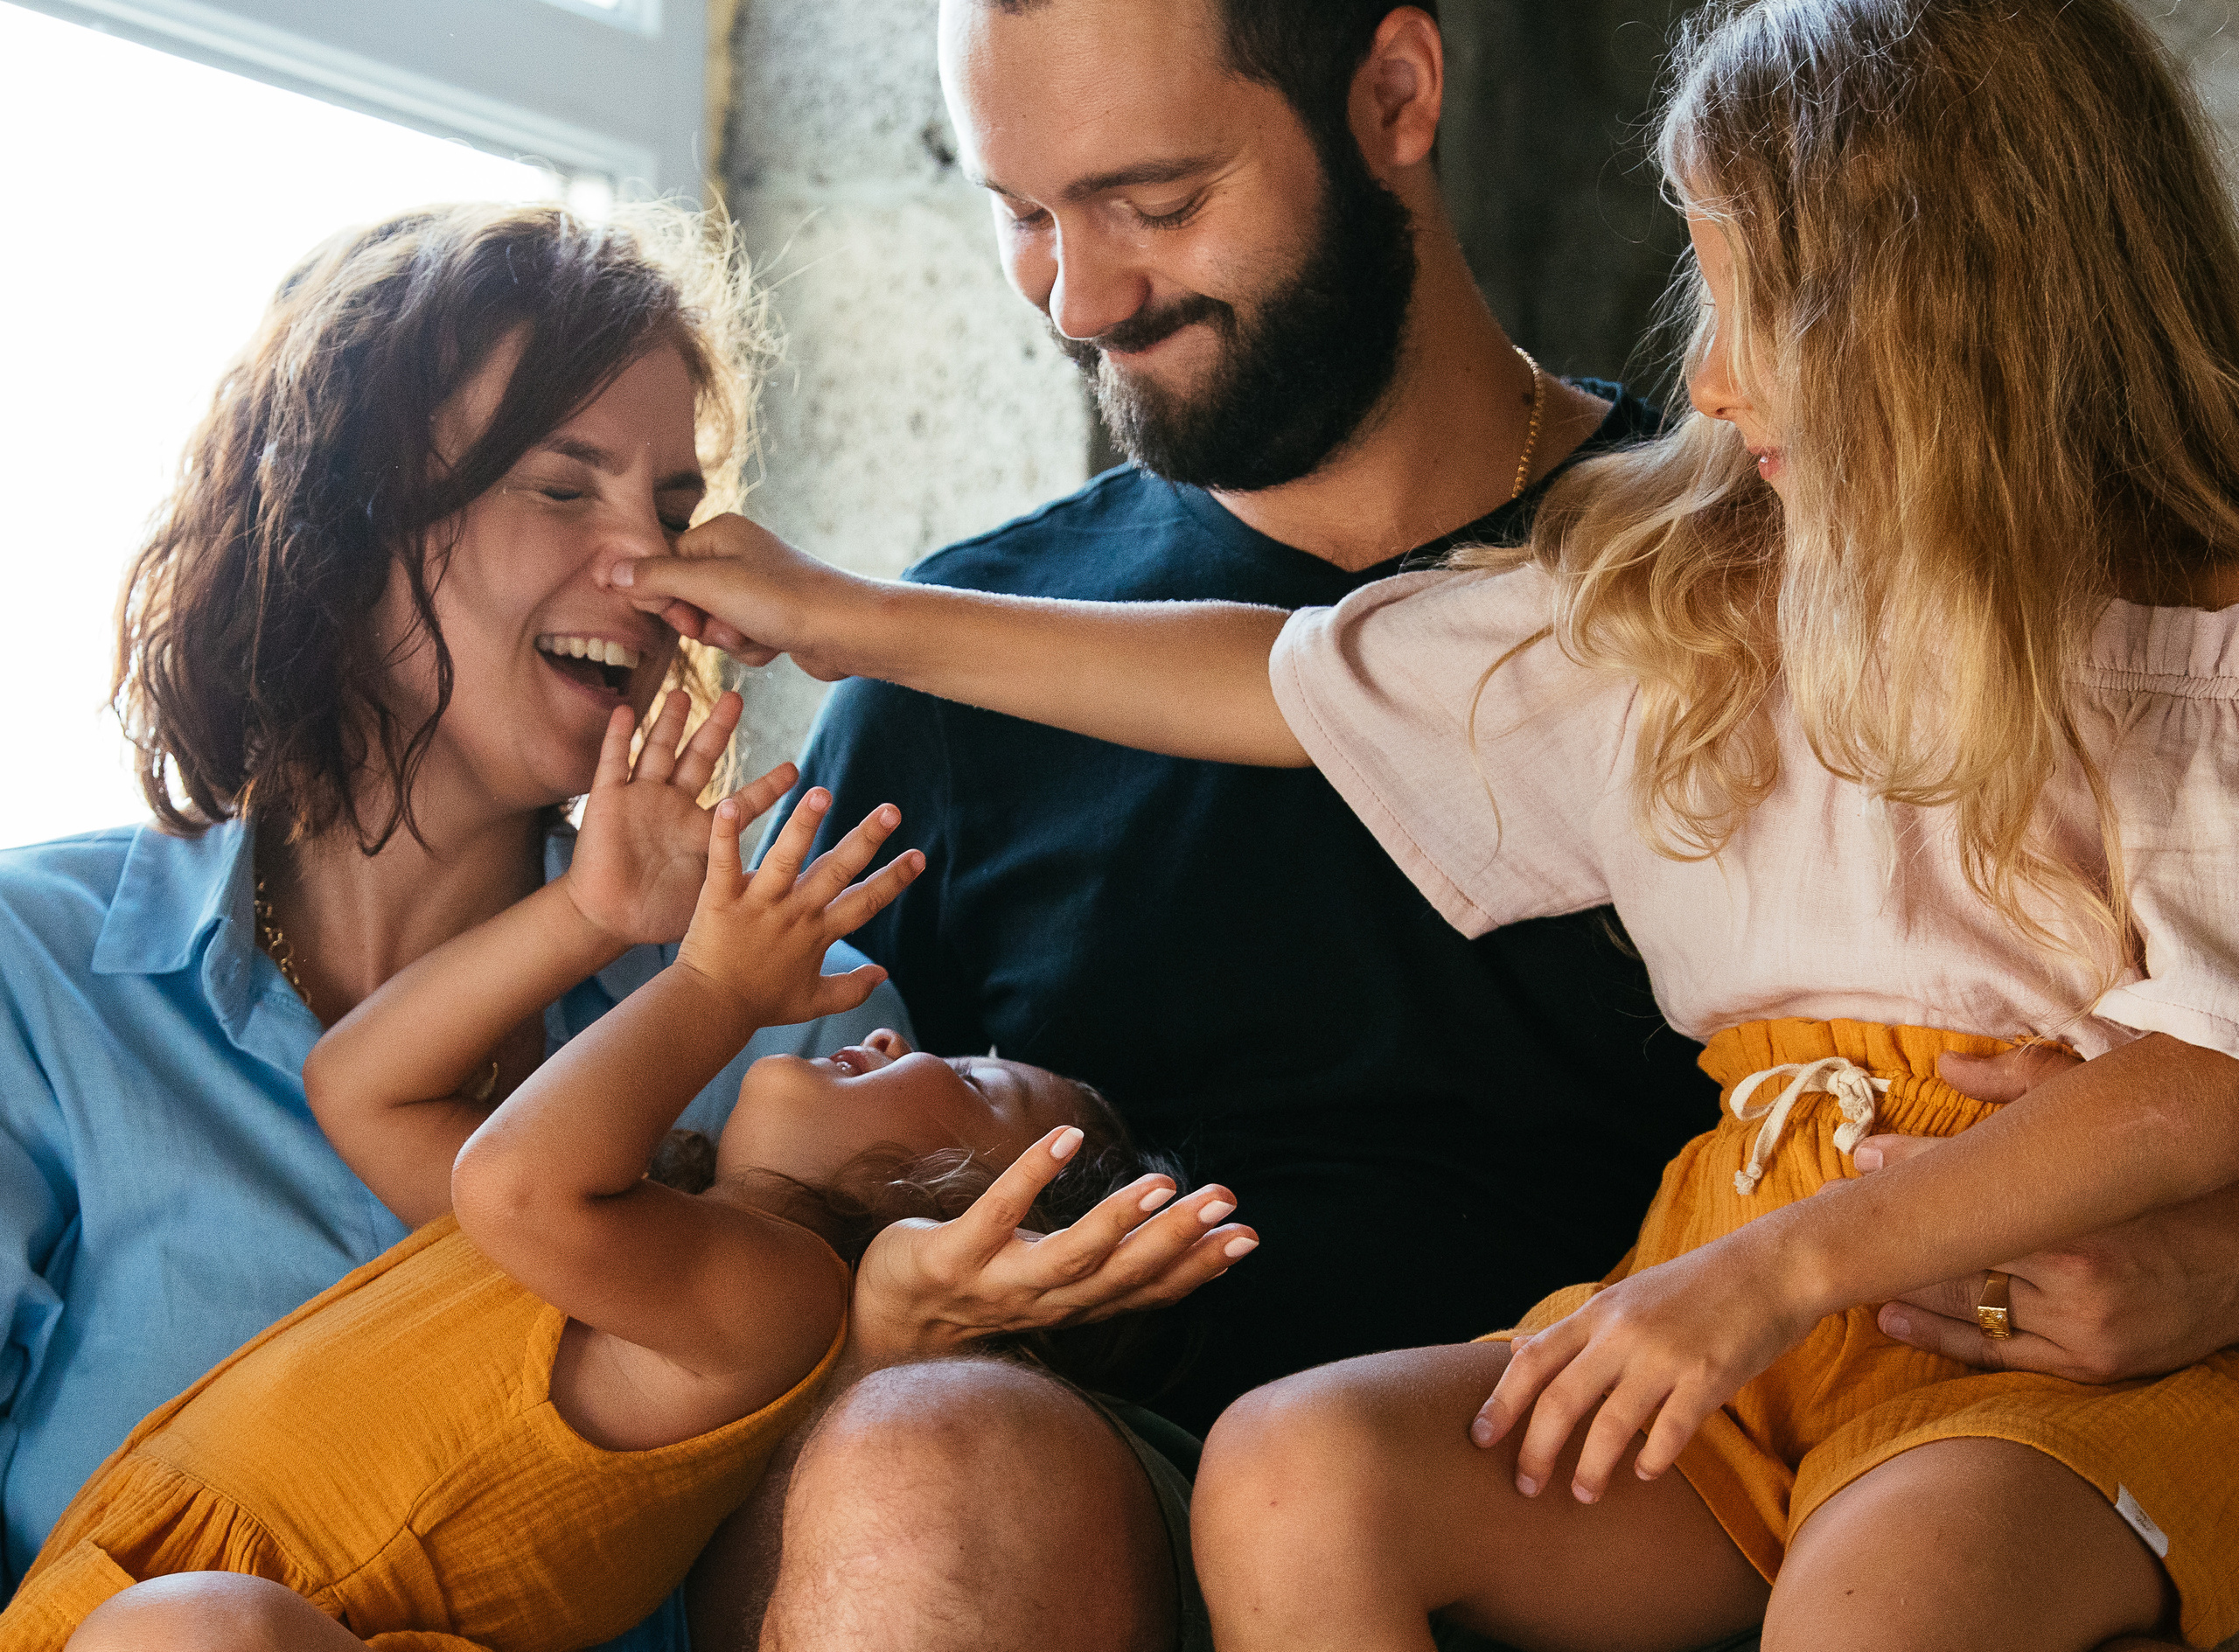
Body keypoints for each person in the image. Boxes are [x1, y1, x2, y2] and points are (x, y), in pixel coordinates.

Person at [617, 0, 2239, 1644]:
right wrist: (844, 617)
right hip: (1370, 1464)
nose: (1082, 295)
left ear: (1398, 91)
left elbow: (2202, 1066)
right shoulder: (1663, 598)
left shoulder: (1762, 572)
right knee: (1080, 1456)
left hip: (1860, 1391)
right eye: (1022, 215)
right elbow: (1288, 687)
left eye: (1159, 202)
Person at [0, 201, 908, 1652]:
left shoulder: (772, 1019)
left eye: (673, 513)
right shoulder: (30, 978)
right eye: (564, 488)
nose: (652, 570)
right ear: (344, 526)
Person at [2, 708, 1251, 1652]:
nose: (891, 1036)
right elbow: (359, 1086)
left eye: (975, 1086)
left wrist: (713, 988)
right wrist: (590, 910)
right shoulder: (649, 1223)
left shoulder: (777, 1302)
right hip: (146, 1580)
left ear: (954, 1208)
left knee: (195, 1631)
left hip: (280, 1615)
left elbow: (508, 1184)